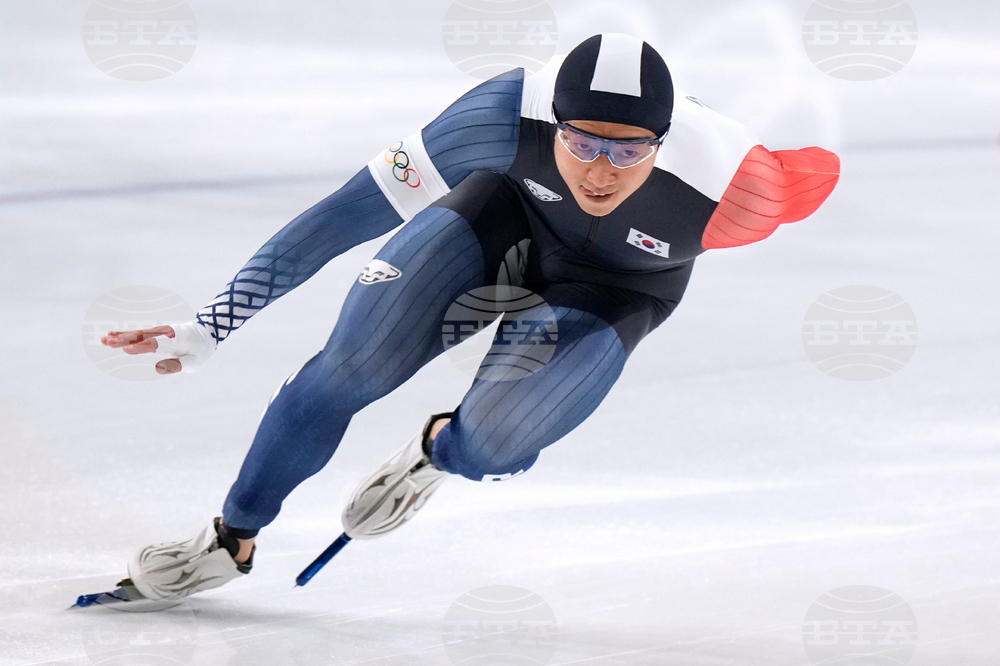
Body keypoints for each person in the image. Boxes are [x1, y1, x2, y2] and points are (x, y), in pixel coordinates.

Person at [101, 33, 840, 601]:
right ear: (550, 124)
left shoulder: (742, 189)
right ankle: (231, 538)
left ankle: (441, 449)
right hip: (497, 220)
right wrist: (212, 323)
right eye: (581, 143)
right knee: (352, 366)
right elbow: (339, 217)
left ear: (663, 143)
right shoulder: (492, 117)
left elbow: (822, 166)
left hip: (618, 288)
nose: (601, 171)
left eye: (628, 151)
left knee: (494, 445)